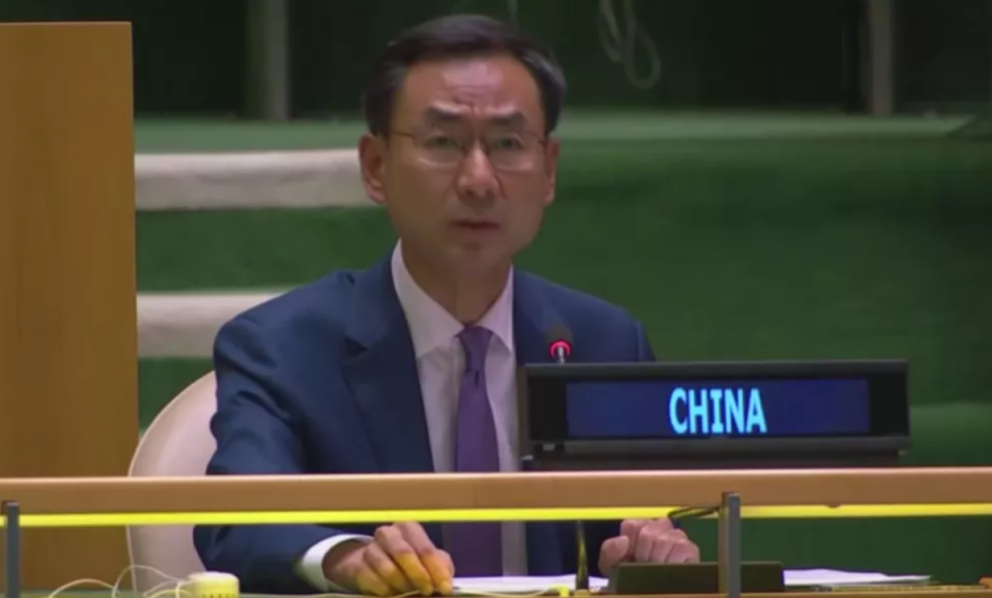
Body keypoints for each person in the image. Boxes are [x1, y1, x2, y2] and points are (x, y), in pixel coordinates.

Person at [193, 13, 699, 595]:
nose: (478, 180)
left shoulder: (603, 343)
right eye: (442, 142)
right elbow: (237, 522)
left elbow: (644, 524)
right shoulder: (283, 347)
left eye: (508, 144)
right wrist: (346, 558)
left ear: (549, 171)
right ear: (376, 166)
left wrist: (643, 550)